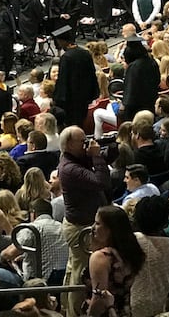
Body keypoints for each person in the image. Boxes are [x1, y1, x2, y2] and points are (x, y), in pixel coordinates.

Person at [58, 126, 111, 317]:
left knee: (74, 269)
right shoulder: (70, 168)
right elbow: (102, 182)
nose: (87, 144)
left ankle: (66, 308)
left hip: (80, 223)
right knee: (81, 275)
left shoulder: (76, 160)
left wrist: (97, 155)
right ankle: (75, 313)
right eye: (82, 141)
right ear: (69, 145)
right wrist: (96, 157)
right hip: (80, 227)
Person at [82, 206, 145, 317]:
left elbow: (100, 299)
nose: (93, 228)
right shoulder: (129, 253)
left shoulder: (100, 257)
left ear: (110, 229)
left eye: (97, 223)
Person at [0, 199, 68, 283]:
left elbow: (10, 254)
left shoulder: (31, 228)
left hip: (36, 283)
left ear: (33, 213)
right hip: (61, 281)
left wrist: (2, 255)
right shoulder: (62, 227)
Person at [53, 26, 99, 127]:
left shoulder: (66, 57)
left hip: (71, 101)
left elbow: (63, 81)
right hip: (84, 98)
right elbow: (92, 74)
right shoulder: (85, 53)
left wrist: (58, 100)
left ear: (62, 41)